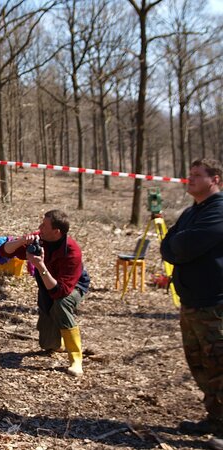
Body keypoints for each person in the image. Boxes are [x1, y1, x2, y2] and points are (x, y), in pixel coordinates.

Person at [160, 158, 223, 447]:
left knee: (220, 365)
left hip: (215, 304)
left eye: (198, 175)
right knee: (199, 364)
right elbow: (168, 247)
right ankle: (215, 418)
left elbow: (183, 245)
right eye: (190, 174)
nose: (190, 179)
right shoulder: (190, 212)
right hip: (191, 302)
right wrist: (178, 243)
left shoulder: (219, 210)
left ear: (216, 180)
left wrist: (178, 244)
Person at [0, 210, 90, 377]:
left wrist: (39, 265)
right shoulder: (40, 237)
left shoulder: (72, 251)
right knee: (48, 344)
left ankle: (76, 358)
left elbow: (60, 292)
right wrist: (21, 241)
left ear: (56, 232)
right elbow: (4, 251)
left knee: (61, 305)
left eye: (44, 225)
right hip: (48, 287)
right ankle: (59, 340)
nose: (39, 227)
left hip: (72, 287)